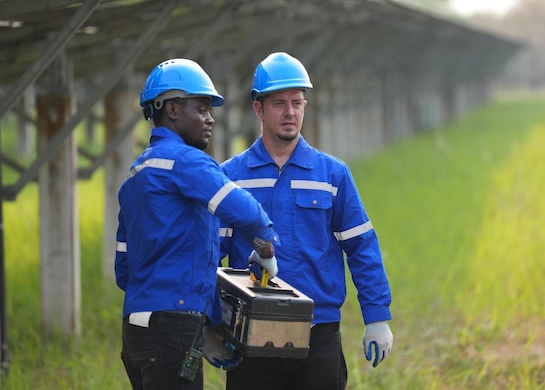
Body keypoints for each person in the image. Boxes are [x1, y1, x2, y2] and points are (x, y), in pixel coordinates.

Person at [219, 52, 393, 390]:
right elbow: (211, 255)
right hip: (251, 337)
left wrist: (377, 317)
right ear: (258, 108)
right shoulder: (231, 177)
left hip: (319, 334)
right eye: (279, 103)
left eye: (297, 102)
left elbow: (361, 247)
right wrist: (212, 321)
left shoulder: (332, 174)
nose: (290, 113)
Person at [115, 58, 279, 390]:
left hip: (136, 333)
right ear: (173, 110)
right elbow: (246, 212)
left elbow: (124, 270)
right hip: (170, 331)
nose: (210, 119)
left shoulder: (135, 176)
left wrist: (202, 324)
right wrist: (266, 249)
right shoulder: (186, 162)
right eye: (202, 109)